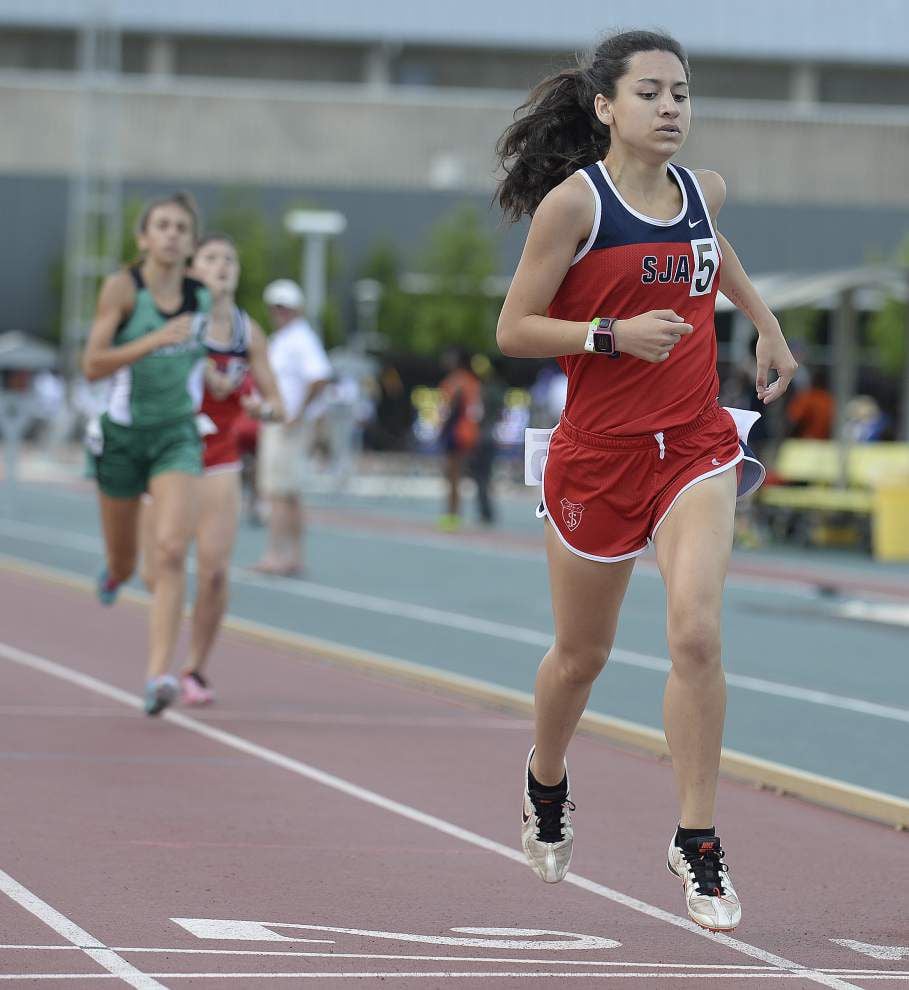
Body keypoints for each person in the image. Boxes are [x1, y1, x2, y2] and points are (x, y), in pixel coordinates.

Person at [495, 30, 797, 931]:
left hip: (695, 447)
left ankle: (695, 839)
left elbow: (715, 255)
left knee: (696, 633)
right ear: (605, 108)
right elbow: (513, 329)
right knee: (579, 657)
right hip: (599, 456)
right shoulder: (572, 208)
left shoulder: (702, 195)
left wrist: (764, 323)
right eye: (651, 93)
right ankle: (545, 776)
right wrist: (608, 336)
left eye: (682, 93)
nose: (671, 108)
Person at [82, 191, 211, 716]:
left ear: (191, 241)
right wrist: (153, 340)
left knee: (174, 550)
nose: (172, 234)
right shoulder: (122, 289)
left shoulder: (204, 298)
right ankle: (113, 573)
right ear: (144, 237)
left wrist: (233, 380)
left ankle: (159, 674)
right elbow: (92, 363)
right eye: (162, 225)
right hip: (122, 436)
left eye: (182, 227)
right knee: (126, 558)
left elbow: (226, 353)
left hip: (177, 433)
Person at [140, 234, 284, 704]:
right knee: (157, 569)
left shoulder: (249, 332)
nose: (222, 266)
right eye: (212, 259)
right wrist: (196, 372)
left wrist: (263, 409)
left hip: (218, 457)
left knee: (215, 572)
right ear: (193, 270)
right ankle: (161, 663)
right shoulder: (175, 323)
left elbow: (279, 402)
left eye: (230, 259)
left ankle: (192, 669)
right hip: (169, 450)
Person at [251, 279, 332, 576]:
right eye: (275, 308)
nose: (278, 313)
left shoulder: (300, 338)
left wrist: (297, 414)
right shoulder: (285, 338)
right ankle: (292, 555)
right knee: (287, 493)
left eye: (284, 308)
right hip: (279, 422)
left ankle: (276, 554)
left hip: (286, 426)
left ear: (296, 309)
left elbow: (319, 377)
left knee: (279, 493)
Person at [437, 347, 482, 532]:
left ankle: (452, 515)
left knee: (452, 476)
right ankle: (454, 514)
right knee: (455, 476)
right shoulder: (473, 382)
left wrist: (442, 431)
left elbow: (451, 410)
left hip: (456, 433)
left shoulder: (456, 382)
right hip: (468, 432)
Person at [469, 354, 506, 525]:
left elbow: (476, 414)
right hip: (490, 435)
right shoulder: (497, 389)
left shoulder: (482, 390)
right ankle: (486, 510)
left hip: (481, 437)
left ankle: (485, 511)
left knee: (481, 476)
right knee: (485, 476)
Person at [786, 367, 835, 439]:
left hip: (806, 440)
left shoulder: (807, 398)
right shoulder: (830, 400)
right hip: (824, 442)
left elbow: (794, 419)